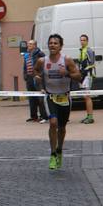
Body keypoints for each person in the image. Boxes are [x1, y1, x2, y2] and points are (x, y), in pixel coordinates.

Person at [32, 33, 81, 169]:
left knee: (62, 127)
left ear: (60, 46)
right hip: (50, 97)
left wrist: (67, 73)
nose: (52, 45)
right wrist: (37, 78)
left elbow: (78, 76)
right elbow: (35, 71)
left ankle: (59, 150)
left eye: (55, 43)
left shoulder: (67, 60)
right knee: (53, 123)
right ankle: (53, 154)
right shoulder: (43, 61)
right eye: (51, 43)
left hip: (65, 97)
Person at [76, 33, 96, 124]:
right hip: (83, 76)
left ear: (87, 41)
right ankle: (88, 116)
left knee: (87, 96)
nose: (82, 41)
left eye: (84, 40)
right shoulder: (81, 50)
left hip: (87, 76)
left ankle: (90, 117)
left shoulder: (89, 51)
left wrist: (84, 72)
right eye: (81, 40)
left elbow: (92, 64)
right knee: (85, 96)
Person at [23, 39, 45, 121]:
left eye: (31, 44)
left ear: (35, 46)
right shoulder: (26, 55)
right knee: (31, 98)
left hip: (37, 78)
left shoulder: (40, 54)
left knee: (40, 98)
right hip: (29, 78)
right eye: (28, 44)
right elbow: (25, 66)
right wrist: (25, 75)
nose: (28, 45)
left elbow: (44, 65)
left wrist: (40, 75)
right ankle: (33, 116)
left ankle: (43, 116)